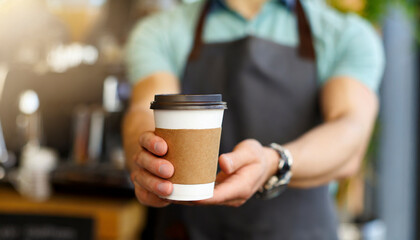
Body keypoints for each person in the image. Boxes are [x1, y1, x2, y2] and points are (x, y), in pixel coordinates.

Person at [123, 0, 385, 239]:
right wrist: (147, 159)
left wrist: (273, 162)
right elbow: (145, 110)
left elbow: (350, 128)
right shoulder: (161, 31)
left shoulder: (345, 35)